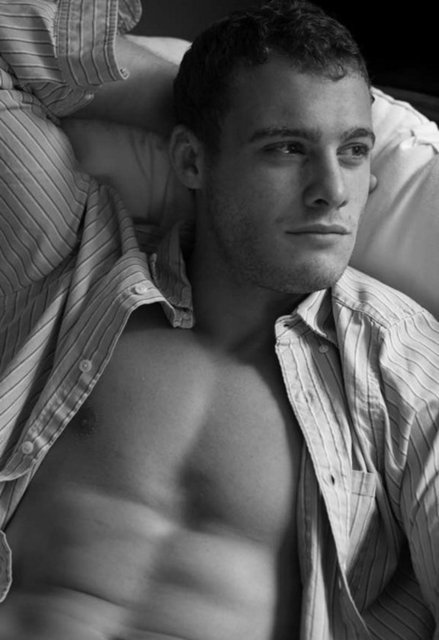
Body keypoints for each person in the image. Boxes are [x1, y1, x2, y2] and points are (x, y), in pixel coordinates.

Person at [0, 0, 439, 638]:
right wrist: (184, 99)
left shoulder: (407, 365)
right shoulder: (73, 258)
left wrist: (244, 127)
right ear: (190, 161)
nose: (333, 190)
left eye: (353, 150)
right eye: (286, 147)